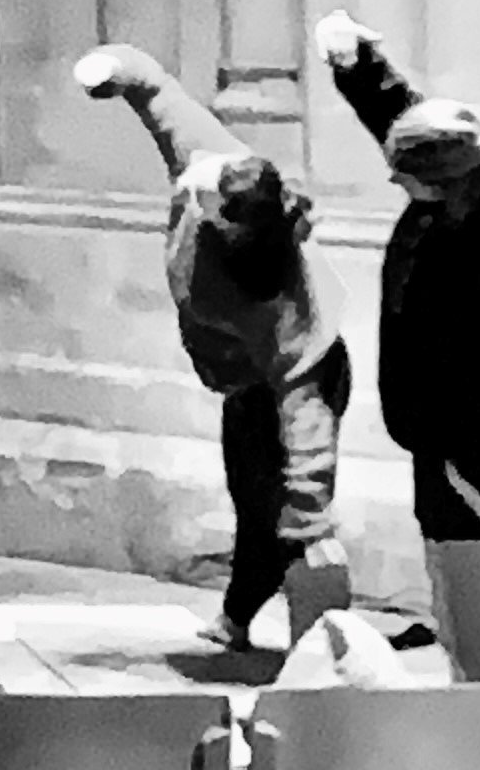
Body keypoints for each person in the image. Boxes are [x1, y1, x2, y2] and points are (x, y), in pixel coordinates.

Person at [319, 10, 480, 682]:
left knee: (476, 634)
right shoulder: (447, 207)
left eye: (403, 174)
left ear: (446, 179)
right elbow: (406, 120)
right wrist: (358, 65)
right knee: (455, 622)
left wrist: (462, 416)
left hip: (479, 457)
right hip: (442, 448)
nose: (392, 183)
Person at [75, 39, 354, 655]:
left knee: (275, 509)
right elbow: (160, 96)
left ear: (224, 224)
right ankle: (239, 618)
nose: (194, 177)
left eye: (204, 193)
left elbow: (307, 424)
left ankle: (307, 640)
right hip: (245, 384)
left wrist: (311, 519)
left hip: (296, 379)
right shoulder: (228, 172)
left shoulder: (283, 316)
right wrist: (118, 73)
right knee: (252, 500)